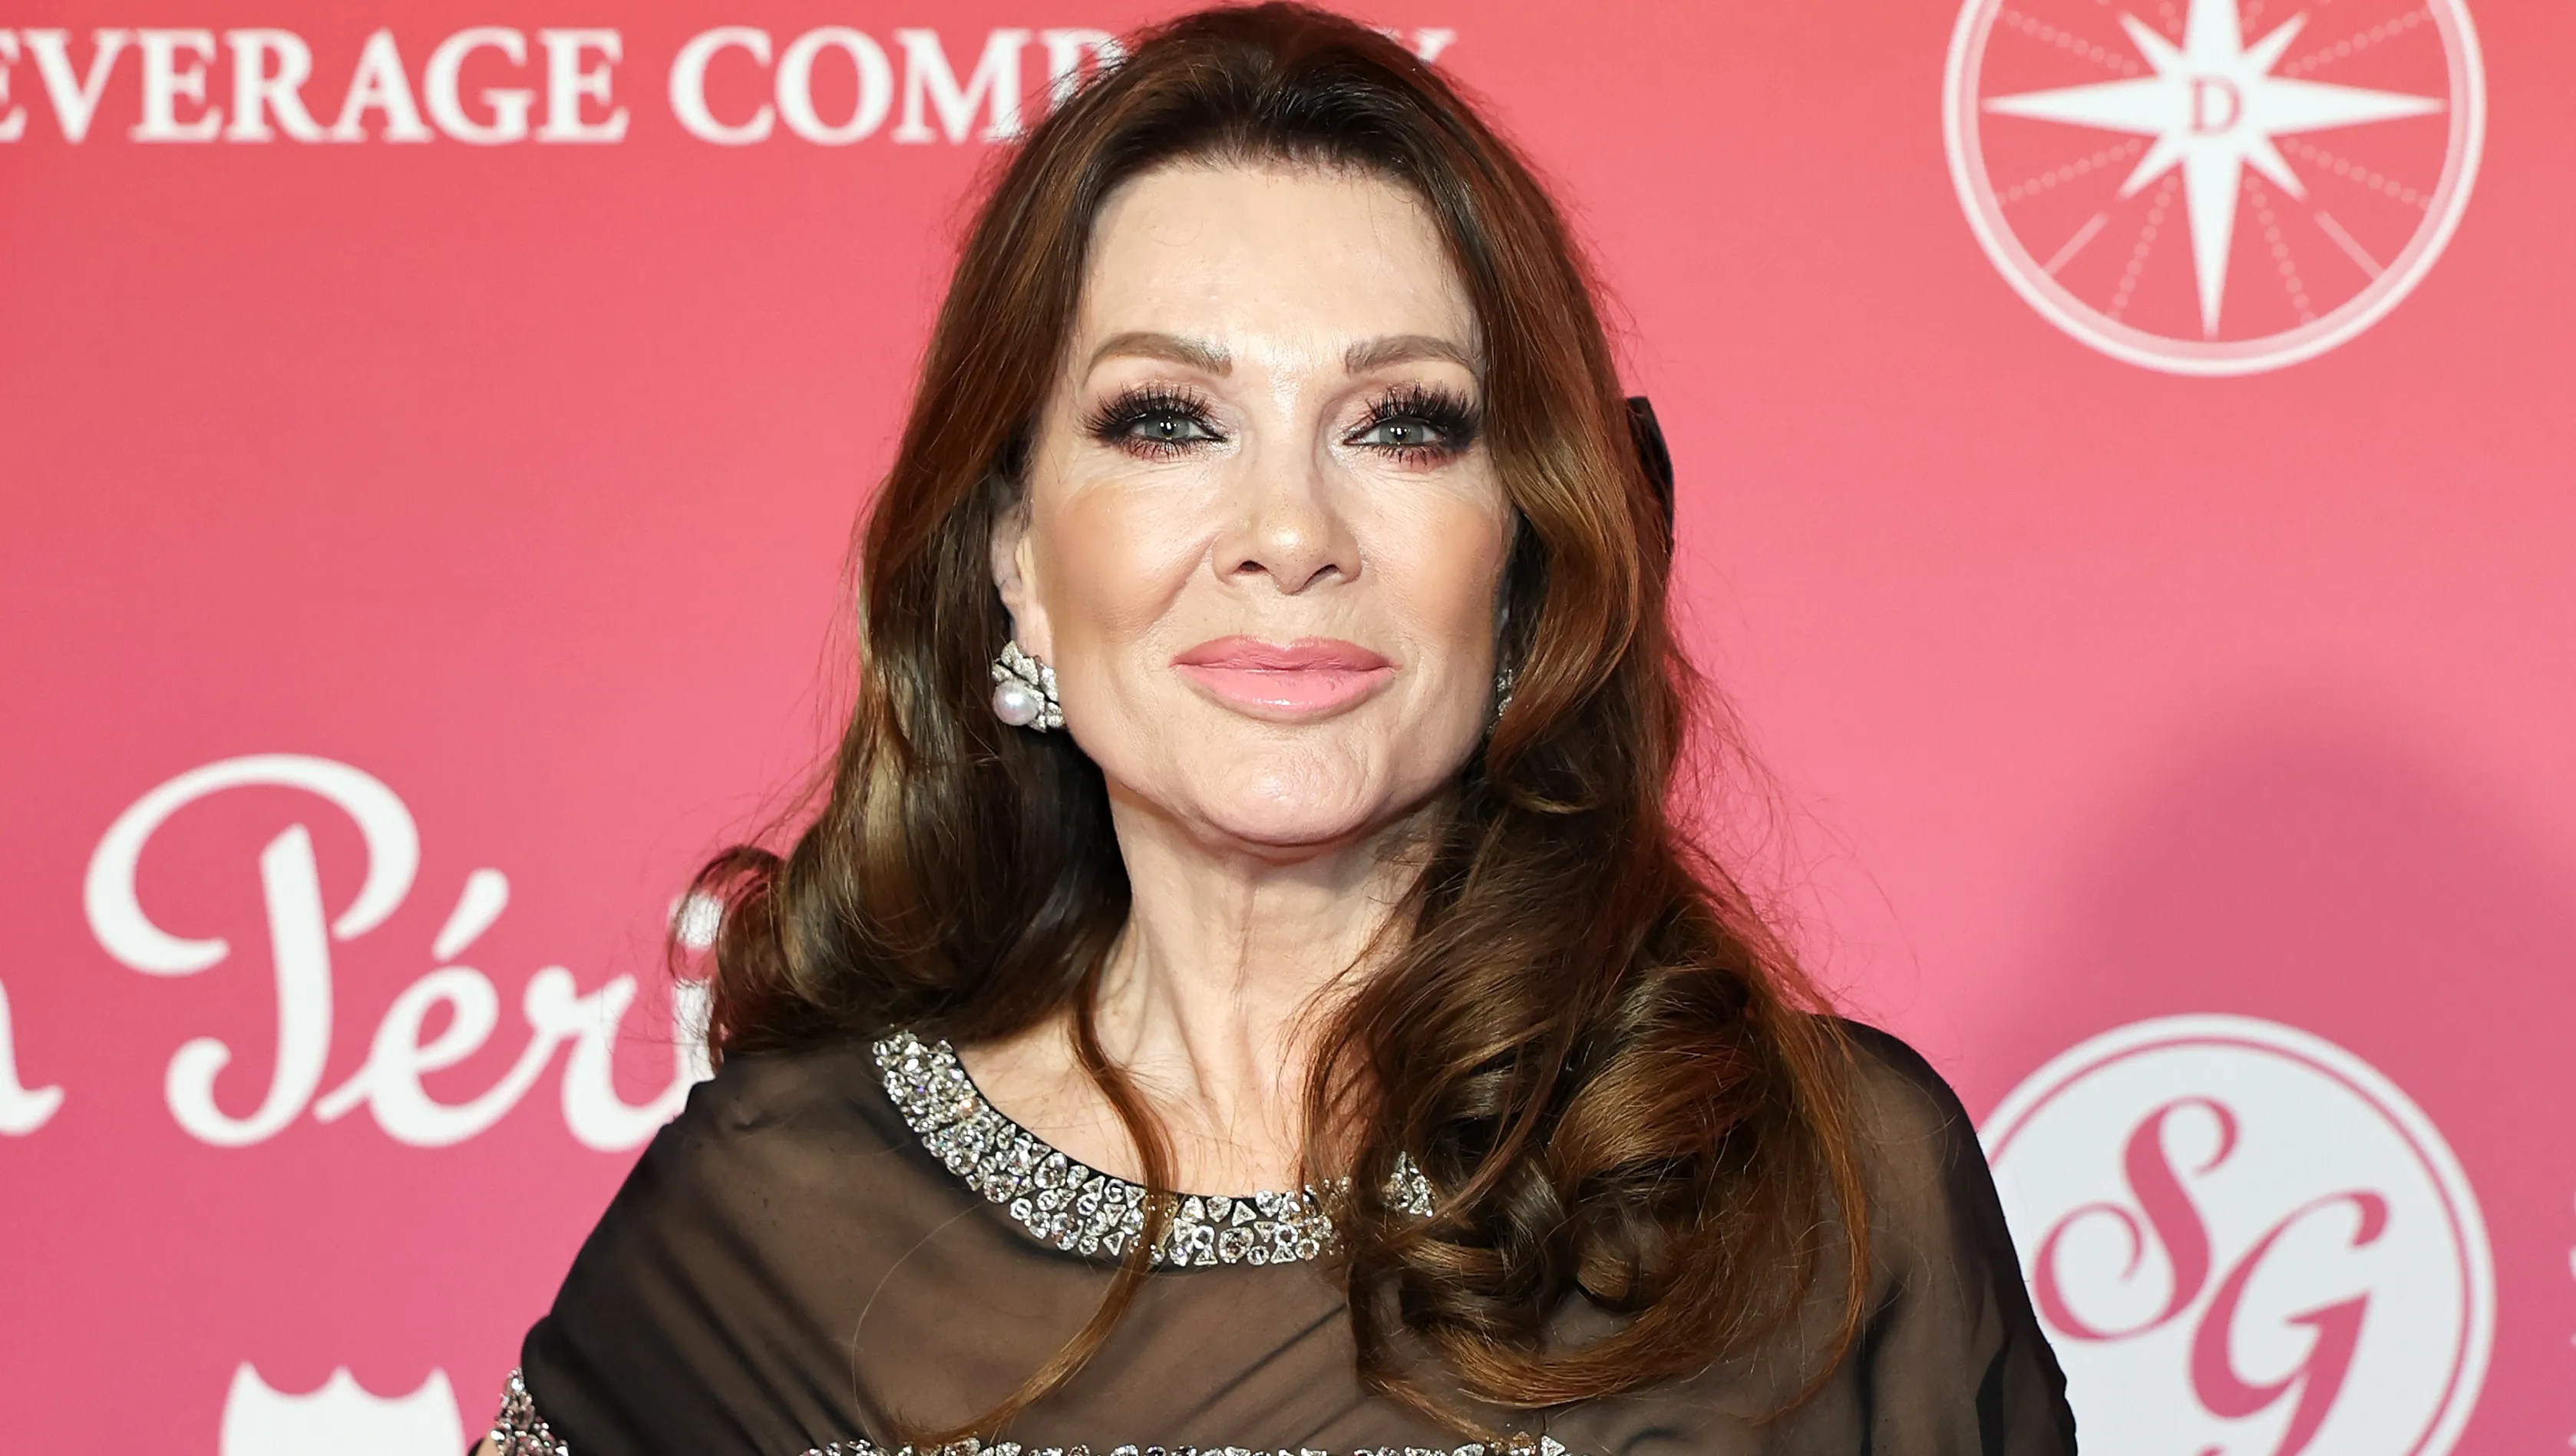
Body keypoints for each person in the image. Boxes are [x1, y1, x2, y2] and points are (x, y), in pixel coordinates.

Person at [480, 7, 2075, 1454]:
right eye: (1168, 421)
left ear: (1524, 562)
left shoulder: (1813, 1189)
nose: (1287, 529)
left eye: (1402, 424)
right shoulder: (767, 1232)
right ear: (1015, 567)